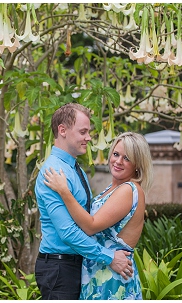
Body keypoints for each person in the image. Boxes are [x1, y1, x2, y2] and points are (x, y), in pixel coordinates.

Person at [34, 103, 134, 300]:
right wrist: (109, 257)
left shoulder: (72, 168)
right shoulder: (53, 172)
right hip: (59, 269)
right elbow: (67, 232)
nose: (88, 137)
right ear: (62, 130)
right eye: (83, 132)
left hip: (74, 265)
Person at [42, 131, 152, 300]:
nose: (118, 161)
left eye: (127, 158)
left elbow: (91, 226)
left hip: (112, 279)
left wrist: (64, 191)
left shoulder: (128, 190)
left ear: (137, 164)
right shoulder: (112, 188)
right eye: (116, 154)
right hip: (99, 274)